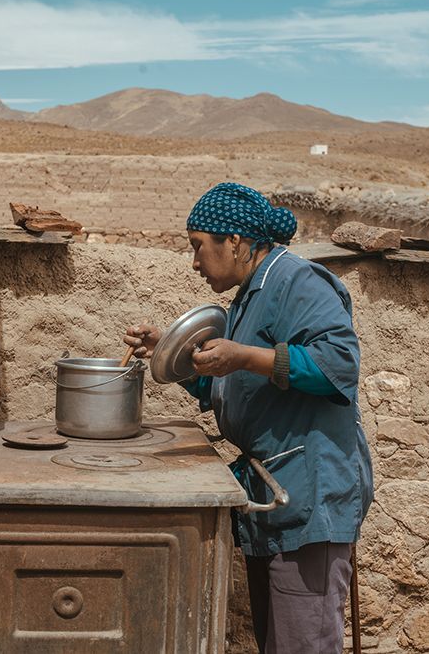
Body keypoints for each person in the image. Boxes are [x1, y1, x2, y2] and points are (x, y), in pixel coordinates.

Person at [124, 182, 374, 654]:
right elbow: (232, 382)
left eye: (199, 247)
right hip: (275, 495)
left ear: (234, 242)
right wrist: (172, 355)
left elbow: (339, 363)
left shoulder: (297, 281)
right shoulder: (249, 294)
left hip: (310, 494)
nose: (195, 262)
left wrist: (243, 356)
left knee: (304, 645)